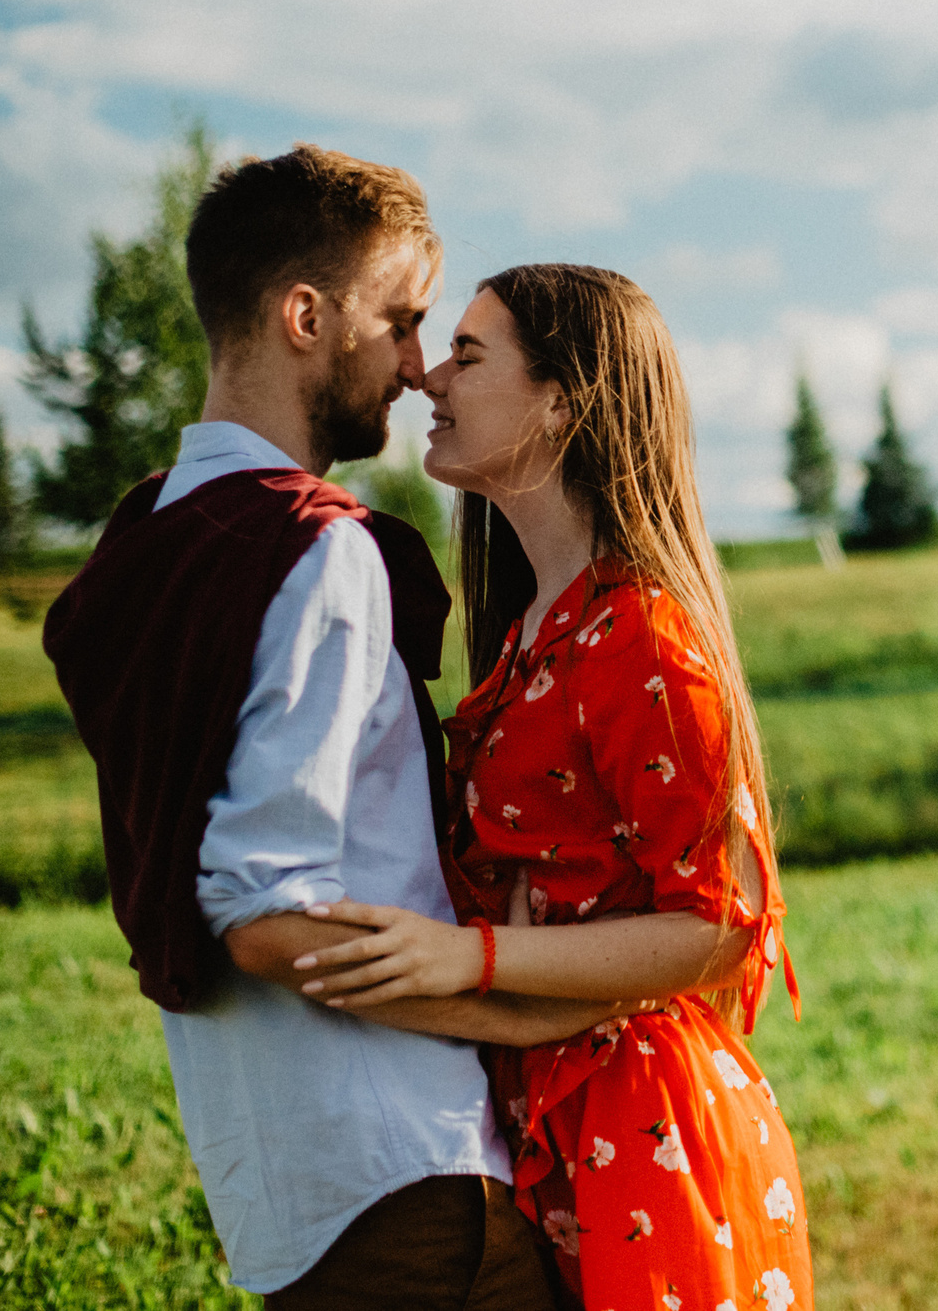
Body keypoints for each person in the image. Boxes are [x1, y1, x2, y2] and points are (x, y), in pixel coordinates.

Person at [44, 147, 625, 1309]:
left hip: (270, 1166)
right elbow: (260, 908)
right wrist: (518, 1008)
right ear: (304, 317)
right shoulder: (315, 551)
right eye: (400, 322)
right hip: (400, 1163)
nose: (418, 370)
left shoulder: (149, 543)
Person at [286, 264, 815, 1311]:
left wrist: (470, 959)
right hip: (545, 1117)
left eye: (470, 355)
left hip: (638, 1137)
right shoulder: (534, 631)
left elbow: (725, 923)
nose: (429, 378)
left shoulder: (642, 635)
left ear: (564, 399)